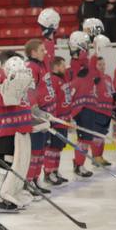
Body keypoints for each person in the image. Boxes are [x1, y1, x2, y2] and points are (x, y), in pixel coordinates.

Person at [0, 51, 35, 211]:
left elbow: (25, 102)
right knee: (5, 160)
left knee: (18, 163)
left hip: (18, 127)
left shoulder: (19, 76)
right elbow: (3, 99)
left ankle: (11, 192)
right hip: (5, 127)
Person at [22, 36, 57, 198]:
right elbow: (29, 90)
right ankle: (28, 182)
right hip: (36, 114)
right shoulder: (30, 66)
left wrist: (50, 36)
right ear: (33, 52)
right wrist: (35, 109)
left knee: (41, 150)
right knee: (35, 151)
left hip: (45, 113)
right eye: (42, 50)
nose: (45, 52)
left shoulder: (42, 65)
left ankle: (35, 180)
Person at [66, 31, 101, 176]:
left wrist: (95, 49)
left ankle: (79, 164)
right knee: (84, 137)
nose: (87, 49)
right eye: (85, 46)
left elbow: (93, 71)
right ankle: (79, 164)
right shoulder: (75, 65)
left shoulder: (84, 64)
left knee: (86, 138)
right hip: (81, 107)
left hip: (89, 105)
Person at [43, 55, 72, 185]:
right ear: (56, 67)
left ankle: (55, 170)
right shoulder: (53, 80)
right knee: (52, 147)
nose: (65, 67)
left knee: (58, 148)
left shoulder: (62, 79)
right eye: (62, 65)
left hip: (63, 120)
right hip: (56, 120)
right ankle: (48, 173)